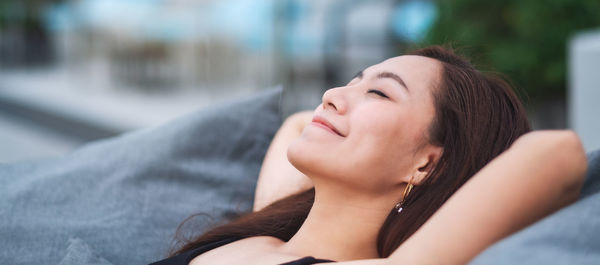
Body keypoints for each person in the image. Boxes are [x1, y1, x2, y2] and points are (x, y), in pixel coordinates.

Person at [151, 46, 587, 265]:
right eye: (352, 81)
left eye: (378, 92)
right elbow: (299, 124)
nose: (332, 96)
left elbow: (558, 153)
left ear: (428, 164)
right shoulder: (268, 225)